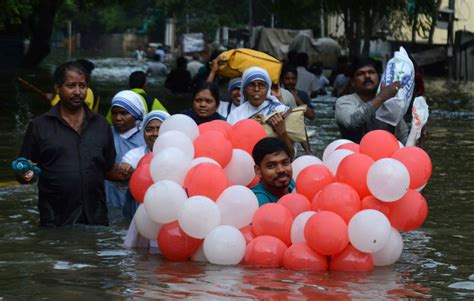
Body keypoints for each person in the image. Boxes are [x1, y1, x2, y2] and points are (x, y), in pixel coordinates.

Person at [15, 61, 119, 227]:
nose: (78, 92)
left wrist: (133, 173)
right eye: (71, 86)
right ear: (58, 88)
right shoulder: (40, 126)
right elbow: (25, 173)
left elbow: (108, 169)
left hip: (96, 219)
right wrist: (25, 173)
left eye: (82, 86)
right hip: (56, 220)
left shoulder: (101, 125)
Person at [335, 57, 408, 144]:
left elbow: (403, 138)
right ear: (353, 82)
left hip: (384, 154)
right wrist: (381, 98)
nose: (367, 76)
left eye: (371, 72)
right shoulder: (343, 102)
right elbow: (352, 122)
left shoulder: (390, 103)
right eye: (361, 73)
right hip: (354, 154)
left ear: (379, 77)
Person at [227, 66, 294, 158]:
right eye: (252, 85)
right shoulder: (236, 114)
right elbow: (230, 146)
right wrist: (248, 127)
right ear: (245, 89)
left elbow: (292, 154)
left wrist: (282, 133)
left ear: (267, 89)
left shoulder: (280, 111)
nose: (257, 89)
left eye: (261, 85)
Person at [119, 110, 171, 218]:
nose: (155, 134)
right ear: (143, 132)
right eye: (149, 130)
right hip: (138, 213)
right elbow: (126, 165)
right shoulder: (135, 154)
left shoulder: (176, 154)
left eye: (160, 129)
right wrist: (126, 167)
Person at [105, 90, 147, 211]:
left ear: (135, 115)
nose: (118, 118)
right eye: (114, 113)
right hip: (109, 197)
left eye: (124, 113)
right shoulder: (106, 134)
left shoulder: (145, 138)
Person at [251, 137, 294, 206]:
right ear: (258, 170)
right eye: (271, 166)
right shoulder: (257, 201)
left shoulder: (293, 184)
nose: (281, 170)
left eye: (285, 163)